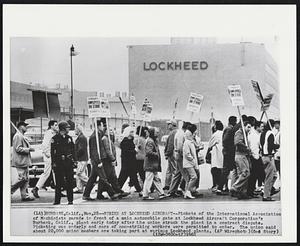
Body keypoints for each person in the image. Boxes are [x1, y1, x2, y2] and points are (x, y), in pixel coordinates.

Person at [83, 119, 119, 201]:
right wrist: (98, 161)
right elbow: (95, 149)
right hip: (97, 160)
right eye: (102, 125)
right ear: (99, 126)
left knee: (92, 178)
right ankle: (112, 193)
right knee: (103, 177)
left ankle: (86, 194)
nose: (103, 127)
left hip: (97, 159)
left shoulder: (98, 134)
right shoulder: (95, 135)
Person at [98, 125, 130, 199]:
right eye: (110, 130)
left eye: (112, 130)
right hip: (107, 160)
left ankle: (118, 191)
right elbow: (107, 150)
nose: (111, 131)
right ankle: (103, 193)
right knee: (106, 177)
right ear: (105, 131)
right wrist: (113, 159)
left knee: (113, 177)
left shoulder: (109, 139)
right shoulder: (105, 139)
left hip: (110, 160)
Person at [31, 120, 58, 198]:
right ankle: (36, 188)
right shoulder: (49, 133)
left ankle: (58, 190)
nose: (57, 126)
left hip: (52, 155)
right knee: (46, 173)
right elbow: (44, 145)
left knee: (54, 172)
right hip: (48, 156)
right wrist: (48, 154)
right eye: (55, 125)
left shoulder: (53, 133)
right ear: (51, 126)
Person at [51, 121, 75, 205]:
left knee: (70, 182)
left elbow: (73, 150)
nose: (69, 129)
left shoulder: (69, 138)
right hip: (59, 163)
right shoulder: (55, 138)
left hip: (68, 162)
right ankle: (57, 200)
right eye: (67, 127)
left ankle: (70, 200)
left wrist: (74, 160)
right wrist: (53, 163)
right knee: (58, 183)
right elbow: (52, 152)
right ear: (63, 128)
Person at [142, 127, 169, 200]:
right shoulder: (151, 141)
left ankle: (161, 193)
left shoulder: (152, 140)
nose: (158, 133)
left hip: (152, 164)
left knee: (156, 179)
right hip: (151, 164)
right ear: (153, 133)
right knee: (149, 179)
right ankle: (145, 194)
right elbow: (148, 152)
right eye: (156, 132)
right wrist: (156, 154)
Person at [11, 121, 35, 201]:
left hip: (23, 161)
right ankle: (9, 191)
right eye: (25, 126)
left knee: (26, 180)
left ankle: (25, 195)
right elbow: (18, 149)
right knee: (22, 179)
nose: (26, 128)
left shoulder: (21, 136)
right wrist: (29, 149)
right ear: (21, 127)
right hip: (20, 161)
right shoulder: (18, 136)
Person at [168, 121, 191, 197]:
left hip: (177, 156)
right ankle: (188, 191)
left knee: (178, 174)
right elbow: (180, 147)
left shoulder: (179, 133)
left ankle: (172, 190)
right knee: (186, 175)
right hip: (180, 156)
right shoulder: (182, 134)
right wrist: (184, 156)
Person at [230, 120, 252, 200]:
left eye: (250, 127)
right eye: (248, 127)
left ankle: (241, 193)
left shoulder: (244, 133)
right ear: (244, 126)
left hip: (242, 155)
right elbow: (238, 143)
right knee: (246, 173)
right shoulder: (239, 133)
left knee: (241, 174)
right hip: (240, 155)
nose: (249, 129)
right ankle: (235, 187)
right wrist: (246, 148)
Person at [118, 126, 142, 194]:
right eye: (131, 132)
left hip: (130, 162)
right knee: (125, 177)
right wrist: (135, 151)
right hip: (127, 162)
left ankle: (139, 190)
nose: (132, 133)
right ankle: (116, 190)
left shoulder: (130, 140)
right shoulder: (125, 141)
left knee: (132, 177)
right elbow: (127, 152)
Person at [216, 116, 237, 195]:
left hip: (227, 152)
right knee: (226, 171)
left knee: (226, 171)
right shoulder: (229, 129)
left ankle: (222, 187)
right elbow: (226, 140)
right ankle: (220, 187)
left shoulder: (228, 128)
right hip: (228, 153)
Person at [260, 121, 280, 201]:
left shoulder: (263, 133)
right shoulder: (271, 133)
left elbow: (262, 144)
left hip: (264, 157)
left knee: (274, 175)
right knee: (269, 177)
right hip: (269, 157)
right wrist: (278, 145)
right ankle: (266, 195)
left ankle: (267, 190)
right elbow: (271, 145)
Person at [247, 120, 264, 198]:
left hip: (256, 156)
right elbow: (253, 147)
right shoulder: (254, 136)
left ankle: (251, 191)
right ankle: (250, 192)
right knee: (254, 175)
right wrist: (256, 157)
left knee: (256, 174)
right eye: (262, 126)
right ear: (257, 127)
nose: (263, 128)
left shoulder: (256, 134)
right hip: (255, 157)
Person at [182, 124, 199, 199]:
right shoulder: (187, 142)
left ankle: (187, 191)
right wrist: (193, 160)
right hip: (189, 163)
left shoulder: (189, 142)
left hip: (189, 163)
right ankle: (188, 191)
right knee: (194, 177)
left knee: (189, 178)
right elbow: (187, 154)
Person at [208, 121, 224, 194]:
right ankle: (222, 186)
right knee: (222, 171)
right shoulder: (223, 133)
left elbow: (210, 145)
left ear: (215, 127)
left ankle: (216, 185)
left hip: (216, 155)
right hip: (223, 154)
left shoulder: (215, 134)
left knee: (214, 170)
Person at [73, 124, 89, 194]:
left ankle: (89, 183)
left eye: (75, 130)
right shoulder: (82, 137)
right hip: (83, 158)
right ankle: (80, 188)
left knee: (79, 173)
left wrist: (76, 156)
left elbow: (81, 149)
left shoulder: (81, 138)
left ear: (78, 130)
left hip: (81, 158)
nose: (74, 131)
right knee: (80, 173)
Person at [163, 119, 178, 191]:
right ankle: (168, 184)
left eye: (169, 124)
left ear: (173, 125)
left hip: (172, 154)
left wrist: (167, 153)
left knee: (174, 170)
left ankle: (171, 186)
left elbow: (170, 145)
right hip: (172, 154)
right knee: (170, 170)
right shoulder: (174, 132)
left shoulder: (172, 133)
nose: (168, 125)